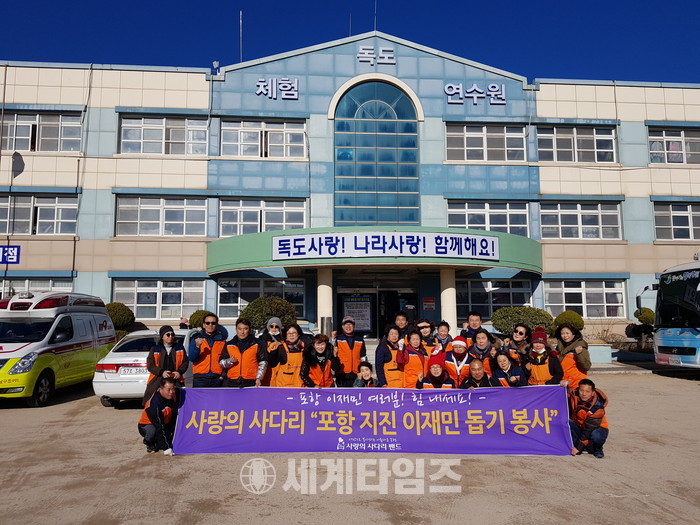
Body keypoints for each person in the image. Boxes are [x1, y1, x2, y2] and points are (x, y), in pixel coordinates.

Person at [143, 325, 188, 406]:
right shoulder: (155, 349)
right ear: (162, 337)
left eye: (172, 334)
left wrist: (179, 372)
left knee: (178, 402)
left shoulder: (180, 348)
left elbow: (185, 362)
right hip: (158, 380)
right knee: (153, 402)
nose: (171, 336)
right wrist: (161, 372)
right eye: (168, 334)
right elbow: (150, 365)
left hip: (176, 379)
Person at [219, 318, 268, 388]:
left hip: (251, 382)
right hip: (232, 382)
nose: (242, 332)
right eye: (240, 329)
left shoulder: (258, 343)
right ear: (236, 330)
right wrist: (229, 361)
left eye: (245, 329)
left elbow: (263, 362)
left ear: (249, 330)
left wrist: (259, 378)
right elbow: (221, 363)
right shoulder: (229, 344)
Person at [569, 378, 609, 458]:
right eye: (581, 390)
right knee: (567, 422)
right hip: (580, 426)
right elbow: (563, 393)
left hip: (596, 428)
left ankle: (597, 449)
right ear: (578, 390)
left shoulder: (597, 407)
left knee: (596, 436)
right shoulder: (573, 395)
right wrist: (562, 384)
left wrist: (578, 448)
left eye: (587, 391)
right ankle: (582, 446)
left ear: (592, 392)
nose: (584, 394)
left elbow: (588, 429)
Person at [138, 377, 178, 454]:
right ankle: (149, 443)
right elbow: (159, 426)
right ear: (161, 389)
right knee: (152, 432)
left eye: (173, 389)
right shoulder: (153, 405)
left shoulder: (173, 394)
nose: (171, 392)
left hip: (166, 421)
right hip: (148, 425)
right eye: (168, 390)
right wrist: (166, 448)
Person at [188, 314, 227, 388]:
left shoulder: (222, 341)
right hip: (200, 378)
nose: (210, 325)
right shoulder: (196, 339)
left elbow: (226, 359)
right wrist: (197, 347)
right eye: (207, 323)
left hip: (217, 378)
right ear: (204, 325)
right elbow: (192, 358)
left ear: (217, 325)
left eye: (213, 323)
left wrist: (223, 375)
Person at [555, 323, 591, 390]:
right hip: (562, 384)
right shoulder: (560, 348)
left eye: (567, 333)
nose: (565, 336)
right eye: (562, 333)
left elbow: (586, 366)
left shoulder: (580, 347)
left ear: (573, 334)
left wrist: (578, 354)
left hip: (575, 385)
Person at [268, 323, 305, 387]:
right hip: (283, 386)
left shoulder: (304, 347)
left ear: (298, 334)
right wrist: (273, 353)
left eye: (294, 333)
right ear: (286, 335)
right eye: (289, 333)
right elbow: (272, 364)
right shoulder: (281, 347)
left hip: (300, 385)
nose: (291, 335)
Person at [334, 316, 367, 387]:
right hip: (342, 373)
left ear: (354, 326)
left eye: (350, 324)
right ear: (342, 326)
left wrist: (363, 370)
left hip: (356, 373)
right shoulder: (337, 339)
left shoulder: (360, 340)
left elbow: (363, 356)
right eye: (346, 324)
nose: (348, 327)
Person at [259, 317, 283, 386]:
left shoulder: (283, 340)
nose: (274, 328)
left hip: (279, 373)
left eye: (276, 326)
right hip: (267, 372)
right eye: (272, 326)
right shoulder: (262, 340)